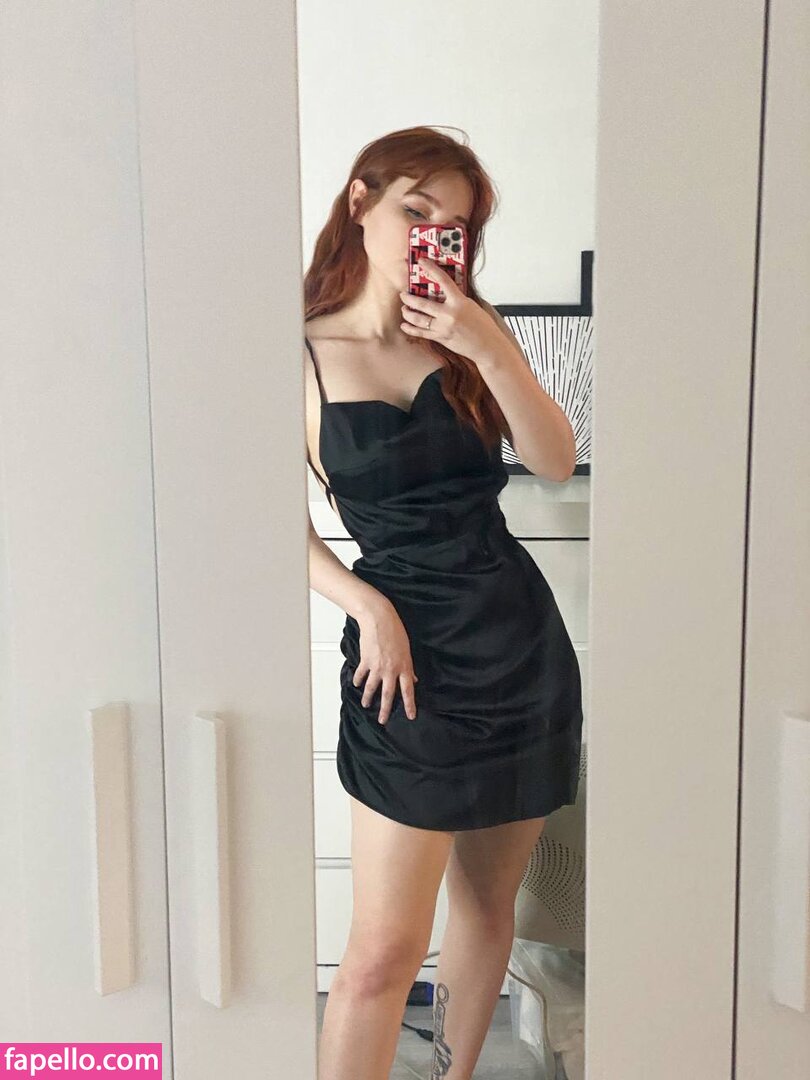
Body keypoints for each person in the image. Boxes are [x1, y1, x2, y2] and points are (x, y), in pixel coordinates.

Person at [303, 125, 583, 1080]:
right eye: (413, 210)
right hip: (404, 671)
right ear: (360, 202)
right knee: (381, 954)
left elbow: (553, 459)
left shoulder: (470, 337)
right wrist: (367, 606)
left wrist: (488, 346)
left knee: (487, 907)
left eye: (451, 225)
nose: (429, 234)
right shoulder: (297, 353)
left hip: (519, 648)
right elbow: (256, 521)